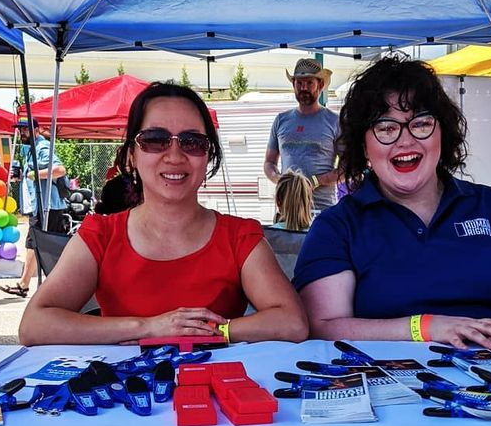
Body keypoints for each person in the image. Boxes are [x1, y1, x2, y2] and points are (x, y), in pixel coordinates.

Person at [293, 55, 491, 350]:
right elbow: (324, 327)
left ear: (443, 134)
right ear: (364, 145)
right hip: (392, 385)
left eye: (421, 124)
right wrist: (425, 326)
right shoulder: (337, 227)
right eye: (386, 128)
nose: (405, 141)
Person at [18, 82, 308, 346]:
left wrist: (216, 331)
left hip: (216, 392)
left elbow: (292, 322)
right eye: (155, 139)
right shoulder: (101, 235)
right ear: (131, 154)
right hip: (122, 395)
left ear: (208, 156)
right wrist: (149, 327)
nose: (174, 155)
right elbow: (34, 325)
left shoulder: (240, 236)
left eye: (192, 142)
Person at [0, 117, 68, 299]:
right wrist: (21, 175)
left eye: (26, 130)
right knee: (34, 244)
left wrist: (32, 174)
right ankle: (25, 284)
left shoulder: (42, 147)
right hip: (41, 206)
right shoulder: (30, 150)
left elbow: (60, 170)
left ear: (36, 130)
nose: (22, 133)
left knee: (40, 244)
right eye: (20, 130)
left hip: (48, 206)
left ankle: (48, 285)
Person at [263, 58, 340, 212]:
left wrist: (317, 181)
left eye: (309, 83)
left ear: (321, 85)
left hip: (322, 210)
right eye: (299, 83)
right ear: (293, 85)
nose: (304, 87)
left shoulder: (334, 121)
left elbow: (349, 167)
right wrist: (279, 179)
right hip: (287, 208)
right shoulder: (281, 120)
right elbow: (269, 163)